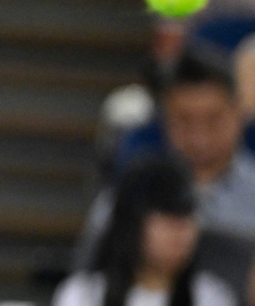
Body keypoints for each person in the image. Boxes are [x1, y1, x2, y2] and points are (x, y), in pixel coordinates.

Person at [80, 56, 255, 269]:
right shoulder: (129, 193)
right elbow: (90, 270)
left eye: (213, 120)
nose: (199, 139)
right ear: (164, 120)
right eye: (184, 121)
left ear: (238, 112)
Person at [56, 156, 236, 306]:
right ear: (133, 224)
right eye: (168, 220)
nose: (180, 232)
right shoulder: (83, 295)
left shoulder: (211, 297)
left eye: (187, 219)